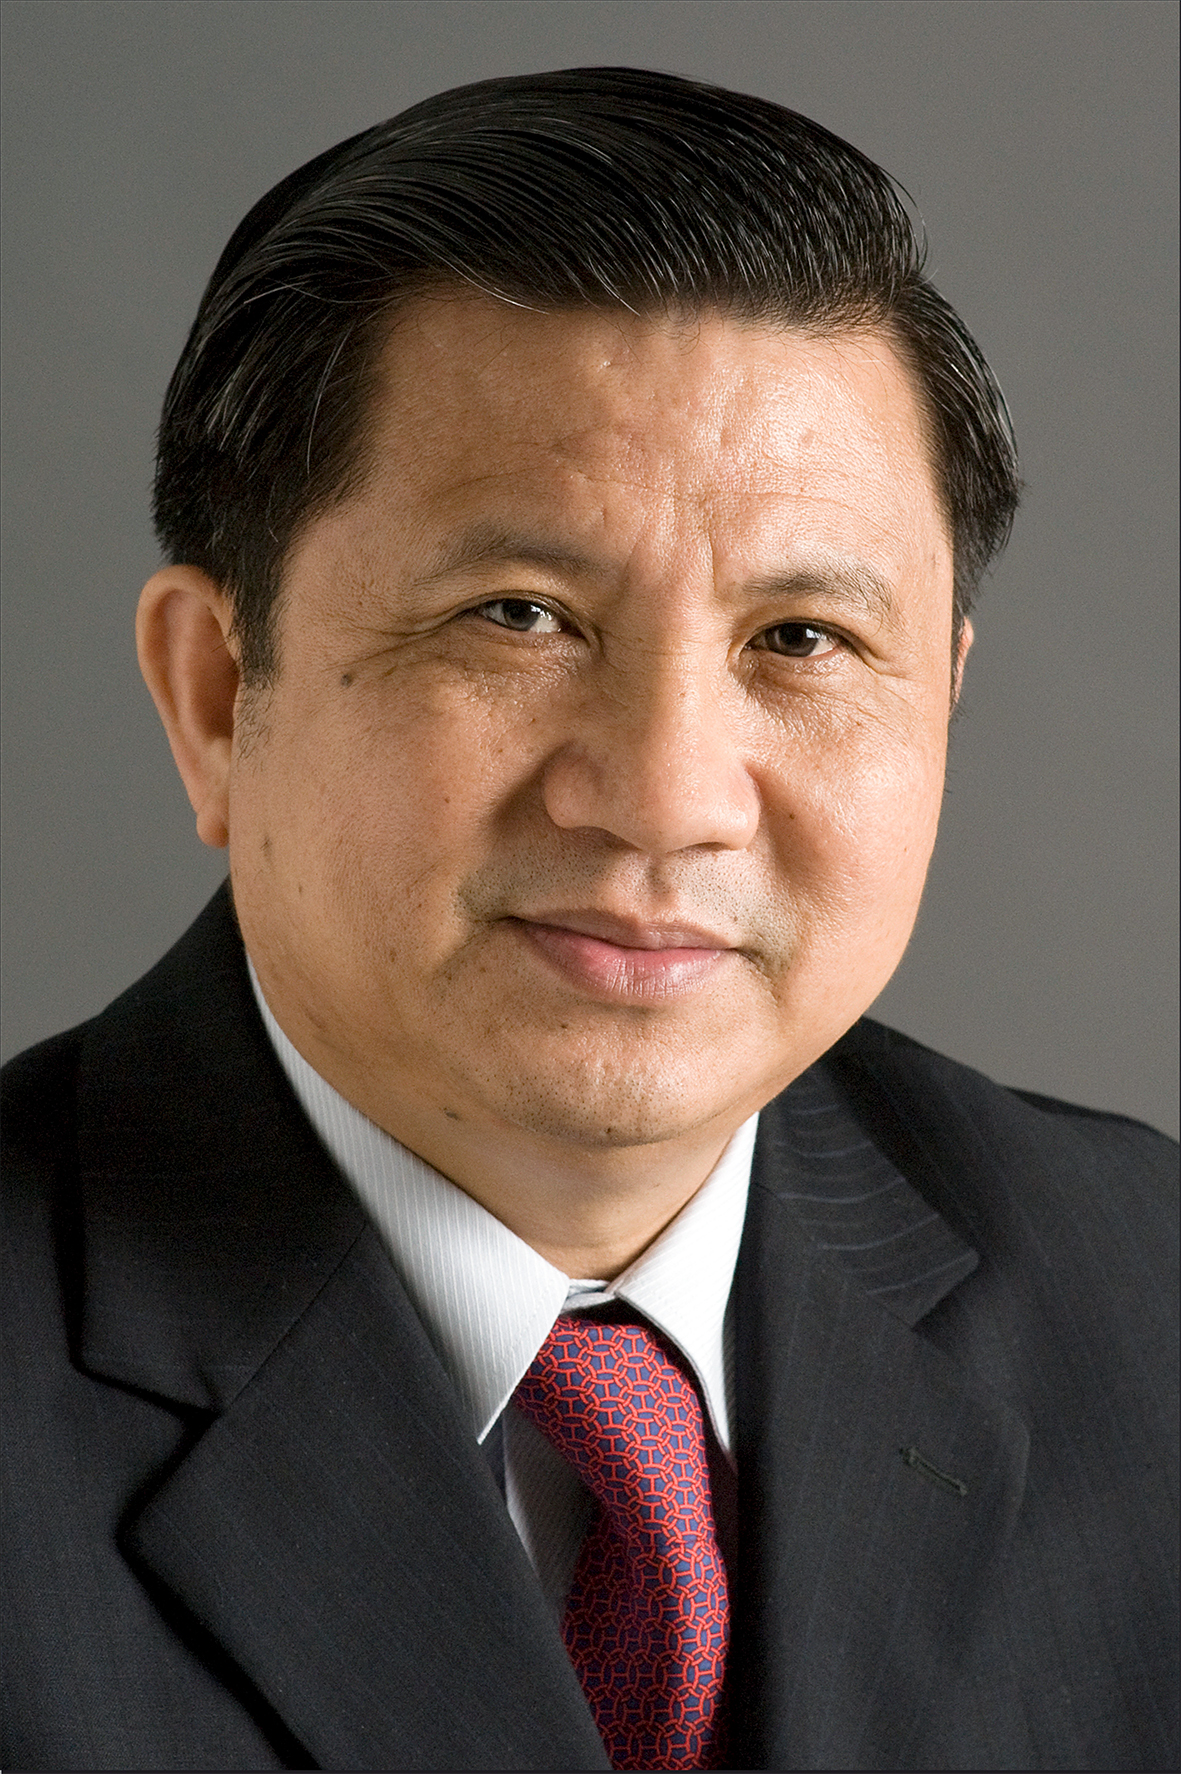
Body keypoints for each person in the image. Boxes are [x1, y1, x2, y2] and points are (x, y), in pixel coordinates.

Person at [2, 66, 1175, 1774]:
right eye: (518, 614)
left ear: (940, 701)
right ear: (212, 695)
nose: (666, 795)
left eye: (801, 640)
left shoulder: (1146, 1298)